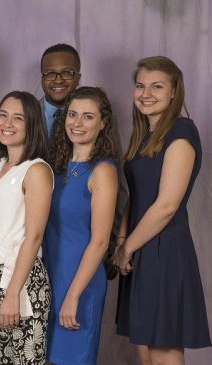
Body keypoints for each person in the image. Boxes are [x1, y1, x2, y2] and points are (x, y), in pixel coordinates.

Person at [113, 56, 211, 365]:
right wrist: (122, 242)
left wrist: (126, 247)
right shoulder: (143, 136)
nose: (146, 93)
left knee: (163, 352)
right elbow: (133, 196)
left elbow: (167, 206)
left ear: (174, 92)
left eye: (157, 86)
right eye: (140, 85)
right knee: (144, 350)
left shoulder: (181, 133)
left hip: (166, 249)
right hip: (141, 249)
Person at [44, 86, 119, 365]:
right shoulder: (58, 166)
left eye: (88, 117)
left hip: (79, 282)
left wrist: (73, 295)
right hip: (51, 275)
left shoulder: (103, 171)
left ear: (102, 124)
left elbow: (100, 241)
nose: (77, 123)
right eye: (72, 114)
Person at [0, 91, 53, 364]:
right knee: (6, 360)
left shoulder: (36, 170)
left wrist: (12, 294)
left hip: (22, 280)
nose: (7, 123)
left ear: (31, 124)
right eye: (3, 115)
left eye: (18, 118)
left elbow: (33, 237)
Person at [40, 43, 81, 142]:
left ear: (78, 78)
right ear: (42, 79)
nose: (58, 80)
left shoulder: (94, 117)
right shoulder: (25, 115)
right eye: (50, 73)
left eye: (67, 73)